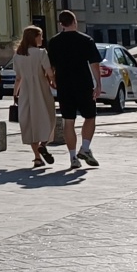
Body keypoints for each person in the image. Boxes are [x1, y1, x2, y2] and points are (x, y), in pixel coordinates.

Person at [45, 10, 108, 169]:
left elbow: (49, 65)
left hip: (64, 85)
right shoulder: (86, 40)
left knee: (68, 121)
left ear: (60, 24)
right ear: (75, 22)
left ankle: (73, 157)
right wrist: (98, 84)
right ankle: (85, 148)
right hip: (83, 83)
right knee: (90, 117)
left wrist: (52, 79)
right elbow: (94, 64)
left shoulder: (54, 42)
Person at [12, 26, 59, 168]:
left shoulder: (18, 55)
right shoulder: (41, 53)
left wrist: (15, 93)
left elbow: (18, 78)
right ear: (34, 37)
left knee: (31, 124)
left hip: (26, 91)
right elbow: (49, 72)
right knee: (50, 117)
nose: (42, 39)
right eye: (40, 36)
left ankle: (37, 157)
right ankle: (43, 144)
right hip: (42, 90)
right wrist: (54, 82)